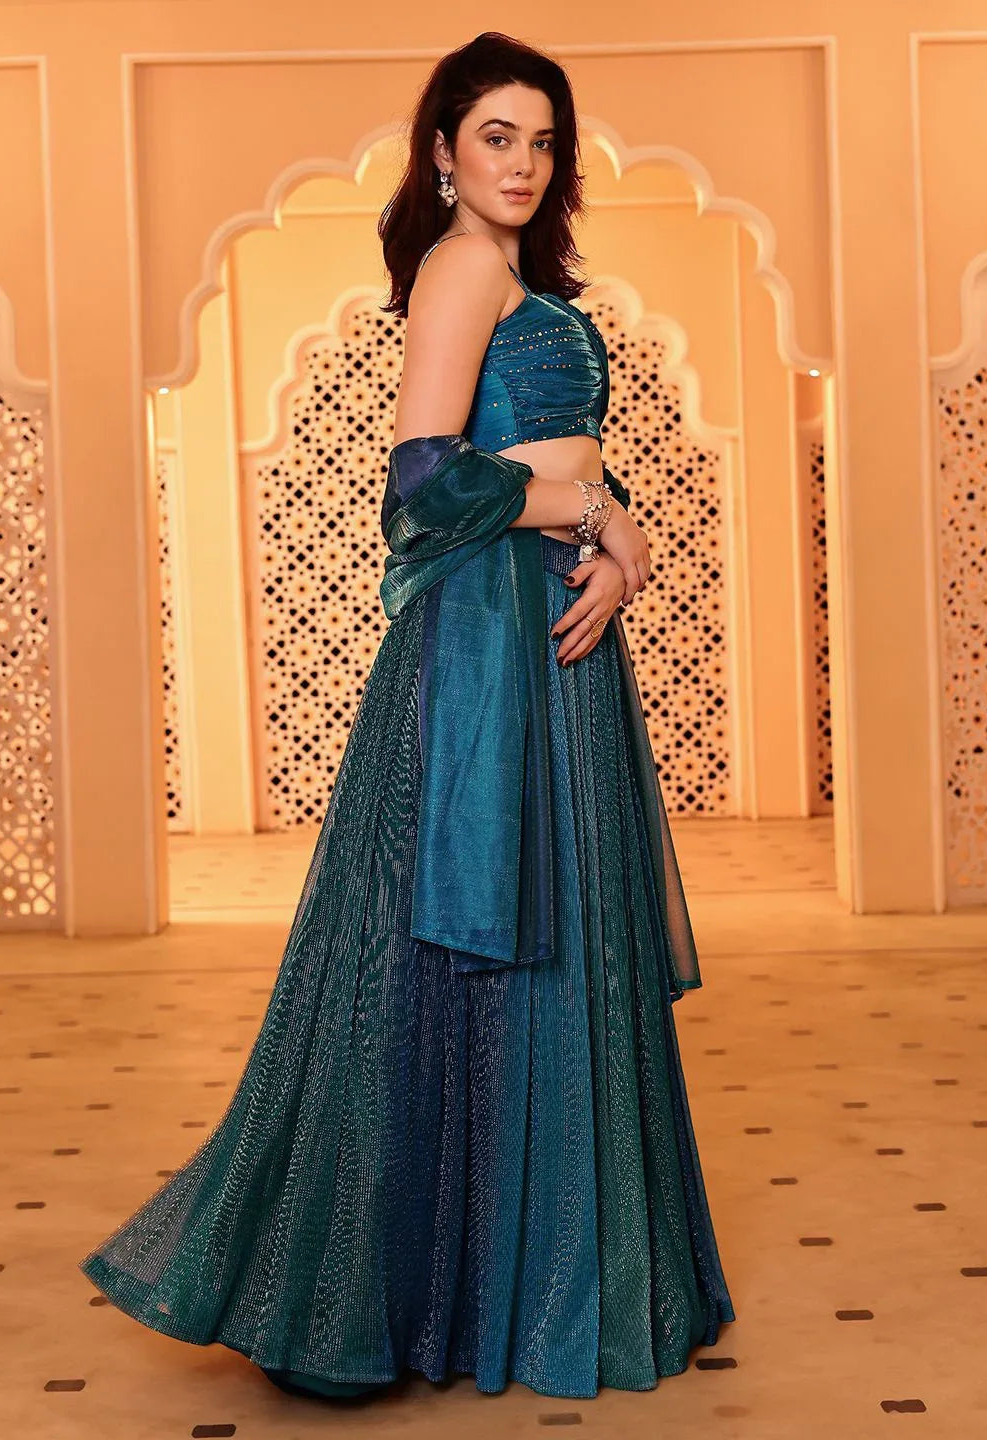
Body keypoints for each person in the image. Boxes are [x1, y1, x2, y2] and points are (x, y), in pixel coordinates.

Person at [79, 30, 735, 1401]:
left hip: (549, 640)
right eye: (496, 135)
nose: (522, 161)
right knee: (458, 956)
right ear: (442, 148)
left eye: (541, 140)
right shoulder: (461, 268)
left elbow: (547, 466)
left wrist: (621, 550)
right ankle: (404, 1294)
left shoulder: (524, 275)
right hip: (486, 651)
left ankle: (533, 1281)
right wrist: (591, 514)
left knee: (557, 951)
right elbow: (425, 486)